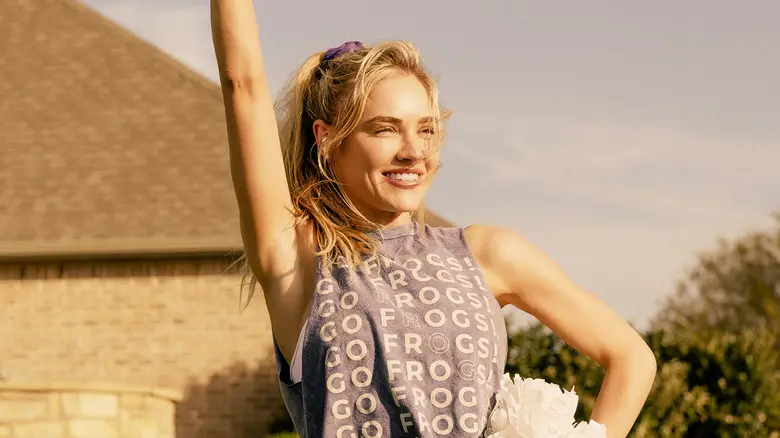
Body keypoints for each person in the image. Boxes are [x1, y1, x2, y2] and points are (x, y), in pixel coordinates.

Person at [210, 1, 657, 437]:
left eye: (425, 129)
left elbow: (630, 357)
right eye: (385, 128)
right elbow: (241, 83)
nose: (413, 151)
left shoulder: (487, 253)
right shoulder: (297, 257)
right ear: (327, 140)